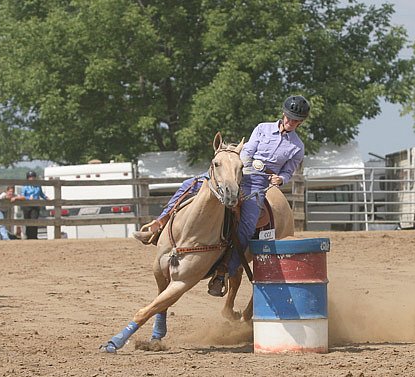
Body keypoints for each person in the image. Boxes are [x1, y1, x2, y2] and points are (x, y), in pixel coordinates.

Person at [133, 95, 310, 296]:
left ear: (301, 122)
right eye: (289, 117)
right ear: (283, 114)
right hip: (239, 169)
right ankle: (158, 225)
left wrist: (281, 179)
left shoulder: (297, 147)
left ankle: (224, 270)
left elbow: (288, 171)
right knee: (188, 185)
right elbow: (249, 150)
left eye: (296, 120)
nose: (291, 122)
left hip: (259, 182)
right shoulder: (262, 128)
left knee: (246, 226)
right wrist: (234, 166)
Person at [21, 170, 49, 240]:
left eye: (33, 177)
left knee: (34, 220)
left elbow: (41, 194)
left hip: (36, 205)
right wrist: (28, 198)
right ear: (28, 178)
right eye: (30, 177)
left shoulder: (38, 186)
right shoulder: (25, 187)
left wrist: (46, 198)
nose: (32, 178)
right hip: (27, 205)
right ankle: (28, 236)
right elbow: (22, 196)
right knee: (27, 221)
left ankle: (34, 236)